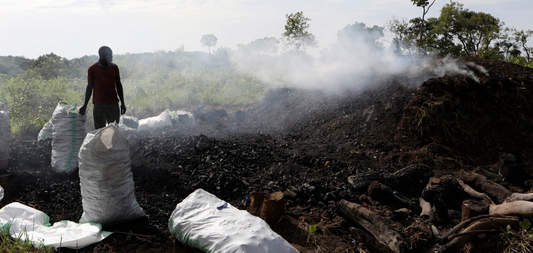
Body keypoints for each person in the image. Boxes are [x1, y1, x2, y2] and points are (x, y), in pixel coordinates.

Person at [79, 46, 126, 129]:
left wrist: (122, 103)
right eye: (109, 56)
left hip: (113, 104)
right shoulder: (92, 69)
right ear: (102, 56)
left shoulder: (114, 68)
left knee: (114, 130)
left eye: (112, 56)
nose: (111, 58)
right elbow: (90, 87)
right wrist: (85, 105)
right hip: (99, 106)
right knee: (100, 131)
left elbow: (118, 85)